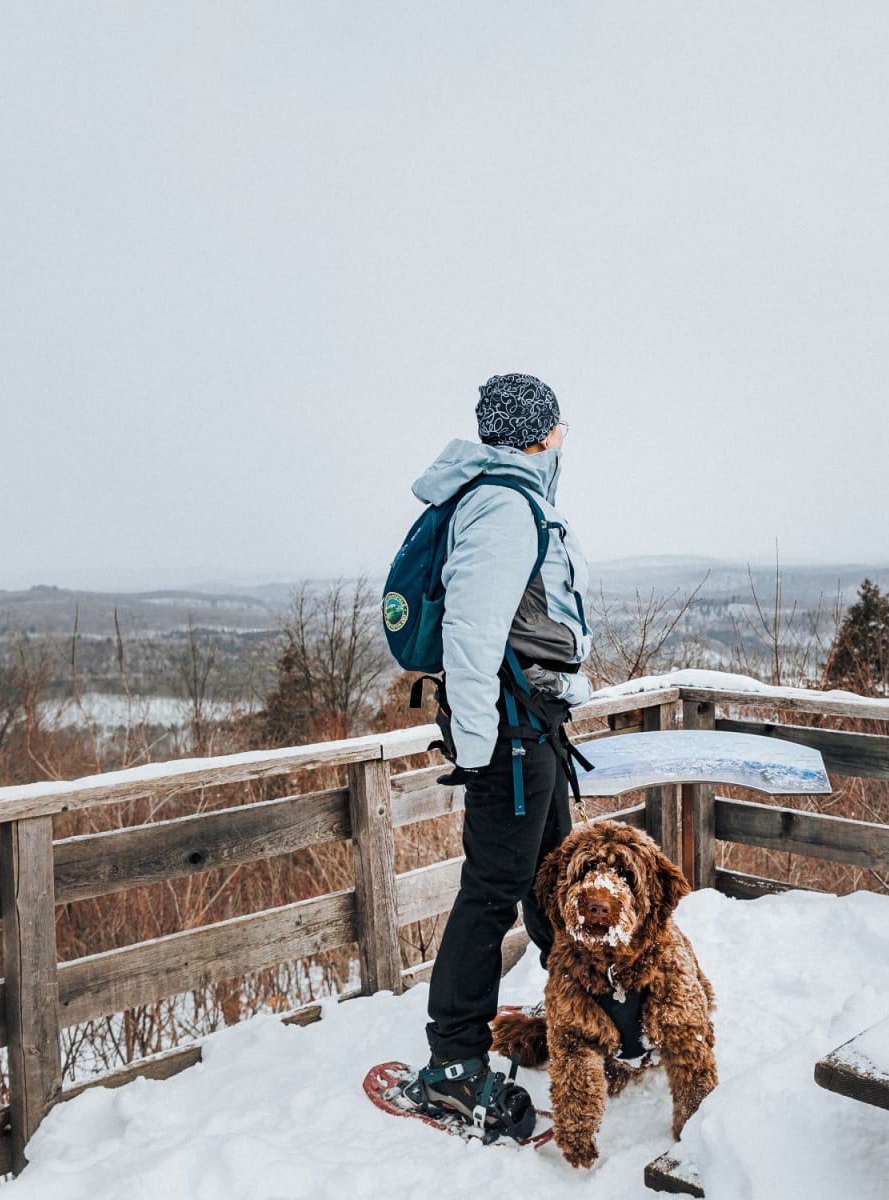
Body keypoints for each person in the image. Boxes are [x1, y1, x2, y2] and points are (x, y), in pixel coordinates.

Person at [404, 373, 593, 1139]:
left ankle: (577, 1012)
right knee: (491, 892)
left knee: (552, 872)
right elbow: (472, 636)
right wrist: (479, 753)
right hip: (508, 738)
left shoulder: (514, 499)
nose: (564, 439)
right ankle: (453, 1065)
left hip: (532, 723)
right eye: (558, 427)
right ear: (539, 433)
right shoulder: (502, 506)